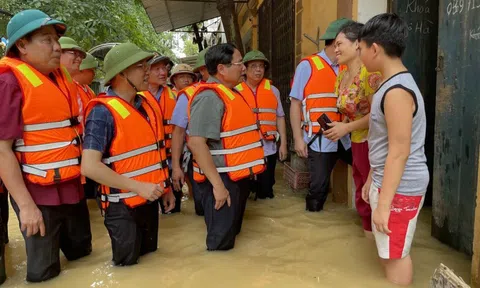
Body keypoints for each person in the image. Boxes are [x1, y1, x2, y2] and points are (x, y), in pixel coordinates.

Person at [0, 9, 92, 282]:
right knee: (44, 273)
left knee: (83, 254)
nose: (56, 47)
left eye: (56, 40)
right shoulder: (9, 82)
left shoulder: (61, 79)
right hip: (37, 194)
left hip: (72, 186)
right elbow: (2, 150)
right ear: (22, 45)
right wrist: (26, 206)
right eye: (46, 40)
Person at [81, 42, 176, 266]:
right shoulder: (101, 112)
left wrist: (166, 188)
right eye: (140, 66)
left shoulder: (147, 105)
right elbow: (90, 167)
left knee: (150, 261)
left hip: (150, 200)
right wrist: (138, 187)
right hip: (121, 206)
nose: (147, 70)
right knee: (127, 268)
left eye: (146, 65)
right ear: (122, 74)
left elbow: (156, 155)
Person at [358, 13, 429, 286]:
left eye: (361, 49)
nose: (360, 55)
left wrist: (384, 205)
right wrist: (371, 178)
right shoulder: (389, 86)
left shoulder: (397, 91)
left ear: (374, 48)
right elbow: (384, 143)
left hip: (401, 188)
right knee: (389, 253)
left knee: (396, 256)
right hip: (390, 183)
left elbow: (399, 151)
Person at [187, 43, 265, 250]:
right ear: (221, 69)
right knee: (220, 244)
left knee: (232, 236)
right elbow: (196, 143)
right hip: (220, 180)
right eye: (239, 63)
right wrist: (219, 187)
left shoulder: (231, 93)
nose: (243, 68)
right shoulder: (209, 97)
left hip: (236, 178)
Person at [323, 21, 382, 238]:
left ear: (358, 43)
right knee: (361, 192)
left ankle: (376, 246)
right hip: (353, 143)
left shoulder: (370, 75)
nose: (335, 48)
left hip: (371, 142)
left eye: (339, 43)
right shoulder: (341, 74)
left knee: (371, 195)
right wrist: (341, 129)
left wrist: (346, 128)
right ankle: (368, 244)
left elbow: (378, 117)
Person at [289, 18, 352, 212]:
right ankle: (313, 219)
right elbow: (295, 104)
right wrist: (298, 140)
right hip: (320, 138)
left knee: (365, 170)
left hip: (346, 136)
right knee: (318, 187)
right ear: (336, 43)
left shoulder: (347, 67)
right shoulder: (307, 66)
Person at [235, 50, 287, 199]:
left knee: (266, 189)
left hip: (268, 148)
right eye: (254, 66)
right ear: (245, 69)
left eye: (261, 66)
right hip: (244, 148)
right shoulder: (235, 91)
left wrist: (283, 144)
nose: (258, 70)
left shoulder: (273, 90)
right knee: (244, 189)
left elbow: (280, 117)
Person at [138, 54, 181, 214]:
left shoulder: (175, 97)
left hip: (171, 160)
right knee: (147, 210)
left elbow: (181, 131)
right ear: (145, 71)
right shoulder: (134, 98)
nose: (163, 72)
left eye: (164, 68)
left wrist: (178, 166)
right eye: (157, 69)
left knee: (173, 212)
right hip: (147, 164)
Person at [170, 51, 209, 216]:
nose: (186, 80)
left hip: (219, 158)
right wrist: (176, 167)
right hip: (191, 154)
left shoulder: (229, 92)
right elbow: (178, 133)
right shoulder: (185, 96)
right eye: (181, 77)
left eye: (188, 76)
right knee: (201, 204)